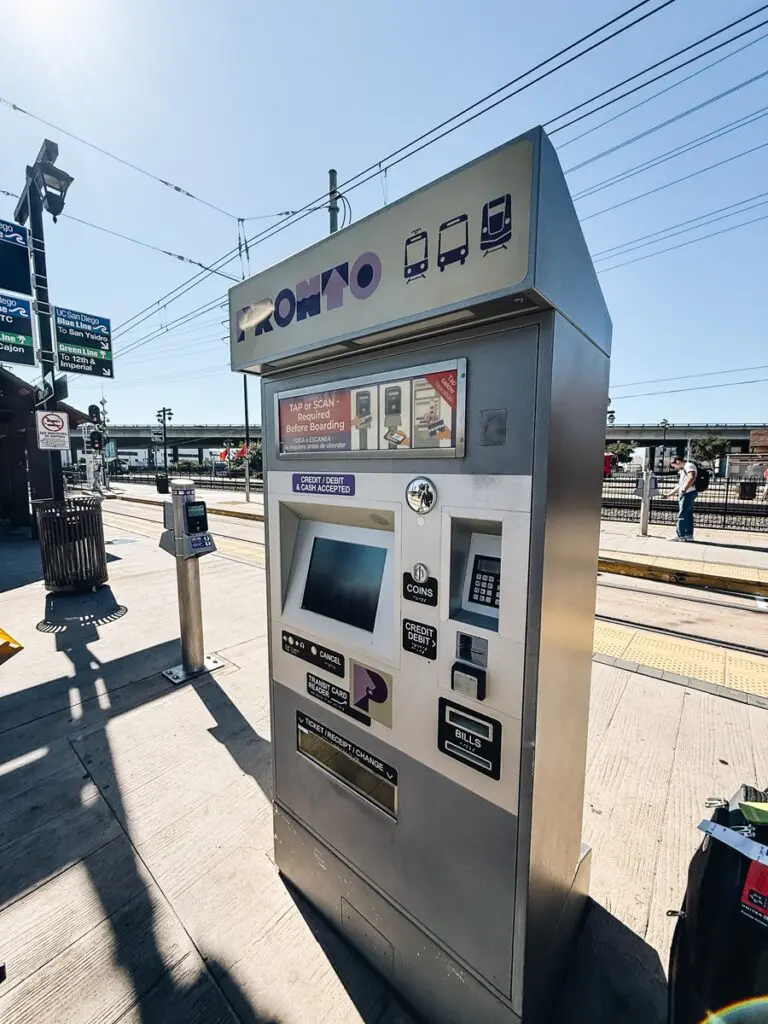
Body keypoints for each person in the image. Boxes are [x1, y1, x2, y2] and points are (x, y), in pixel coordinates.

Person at [664, 456, 698, 541]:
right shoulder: (684, 469)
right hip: (689, 493)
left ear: (678, 461)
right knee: (688, 515)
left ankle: (680, 535)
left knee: (682, 515)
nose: (675, 467)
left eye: (674, 465)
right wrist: (669, 494)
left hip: (687, 493)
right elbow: (680, 485)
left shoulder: (688, 466)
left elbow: (691, 477)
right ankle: (688, 535)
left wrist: (684, 489)